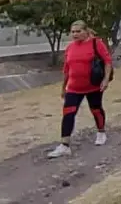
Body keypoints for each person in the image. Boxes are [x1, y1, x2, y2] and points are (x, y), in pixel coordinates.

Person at [47, 20, 112, 158]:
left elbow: (107, 61)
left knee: (96, 109)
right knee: (68, 113)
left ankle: (101, 132)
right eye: (73, 32)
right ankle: (65, 145)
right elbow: (67, 69)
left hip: (93, 86)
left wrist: (105, 79)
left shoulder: (96, 43)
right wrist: (64, 87)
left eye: (78, 31)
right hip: (74, 87)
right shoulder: (70, 47)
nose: (75, 34)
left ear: (86, 31)